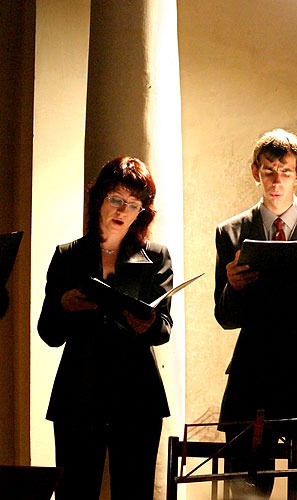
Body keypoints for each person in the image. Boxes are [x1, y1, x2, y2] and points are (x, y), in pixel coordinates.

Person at [214, 129, 297, 499]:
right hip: (253, 375)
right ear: (255, 171)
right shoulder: (231, 231)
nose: (277, 180)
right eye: (269, 171)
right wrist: (233, 287)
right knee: (246, 492)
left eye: (285, 171)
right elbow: (225, 317)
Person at [38, 157, 173, 500]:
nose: (122, 210)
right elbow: (49, 332)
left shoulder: (155, 256)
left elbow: (164, 327)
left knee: (135, 491)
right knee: (75, 492)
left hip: (137, 393)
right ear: (99, 197)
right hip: (79, 391)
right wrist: (64, 304)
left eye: (132, 204)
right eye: (116, 199)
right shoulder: (68, 255)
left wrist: (148, 322)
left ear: (142, 210)